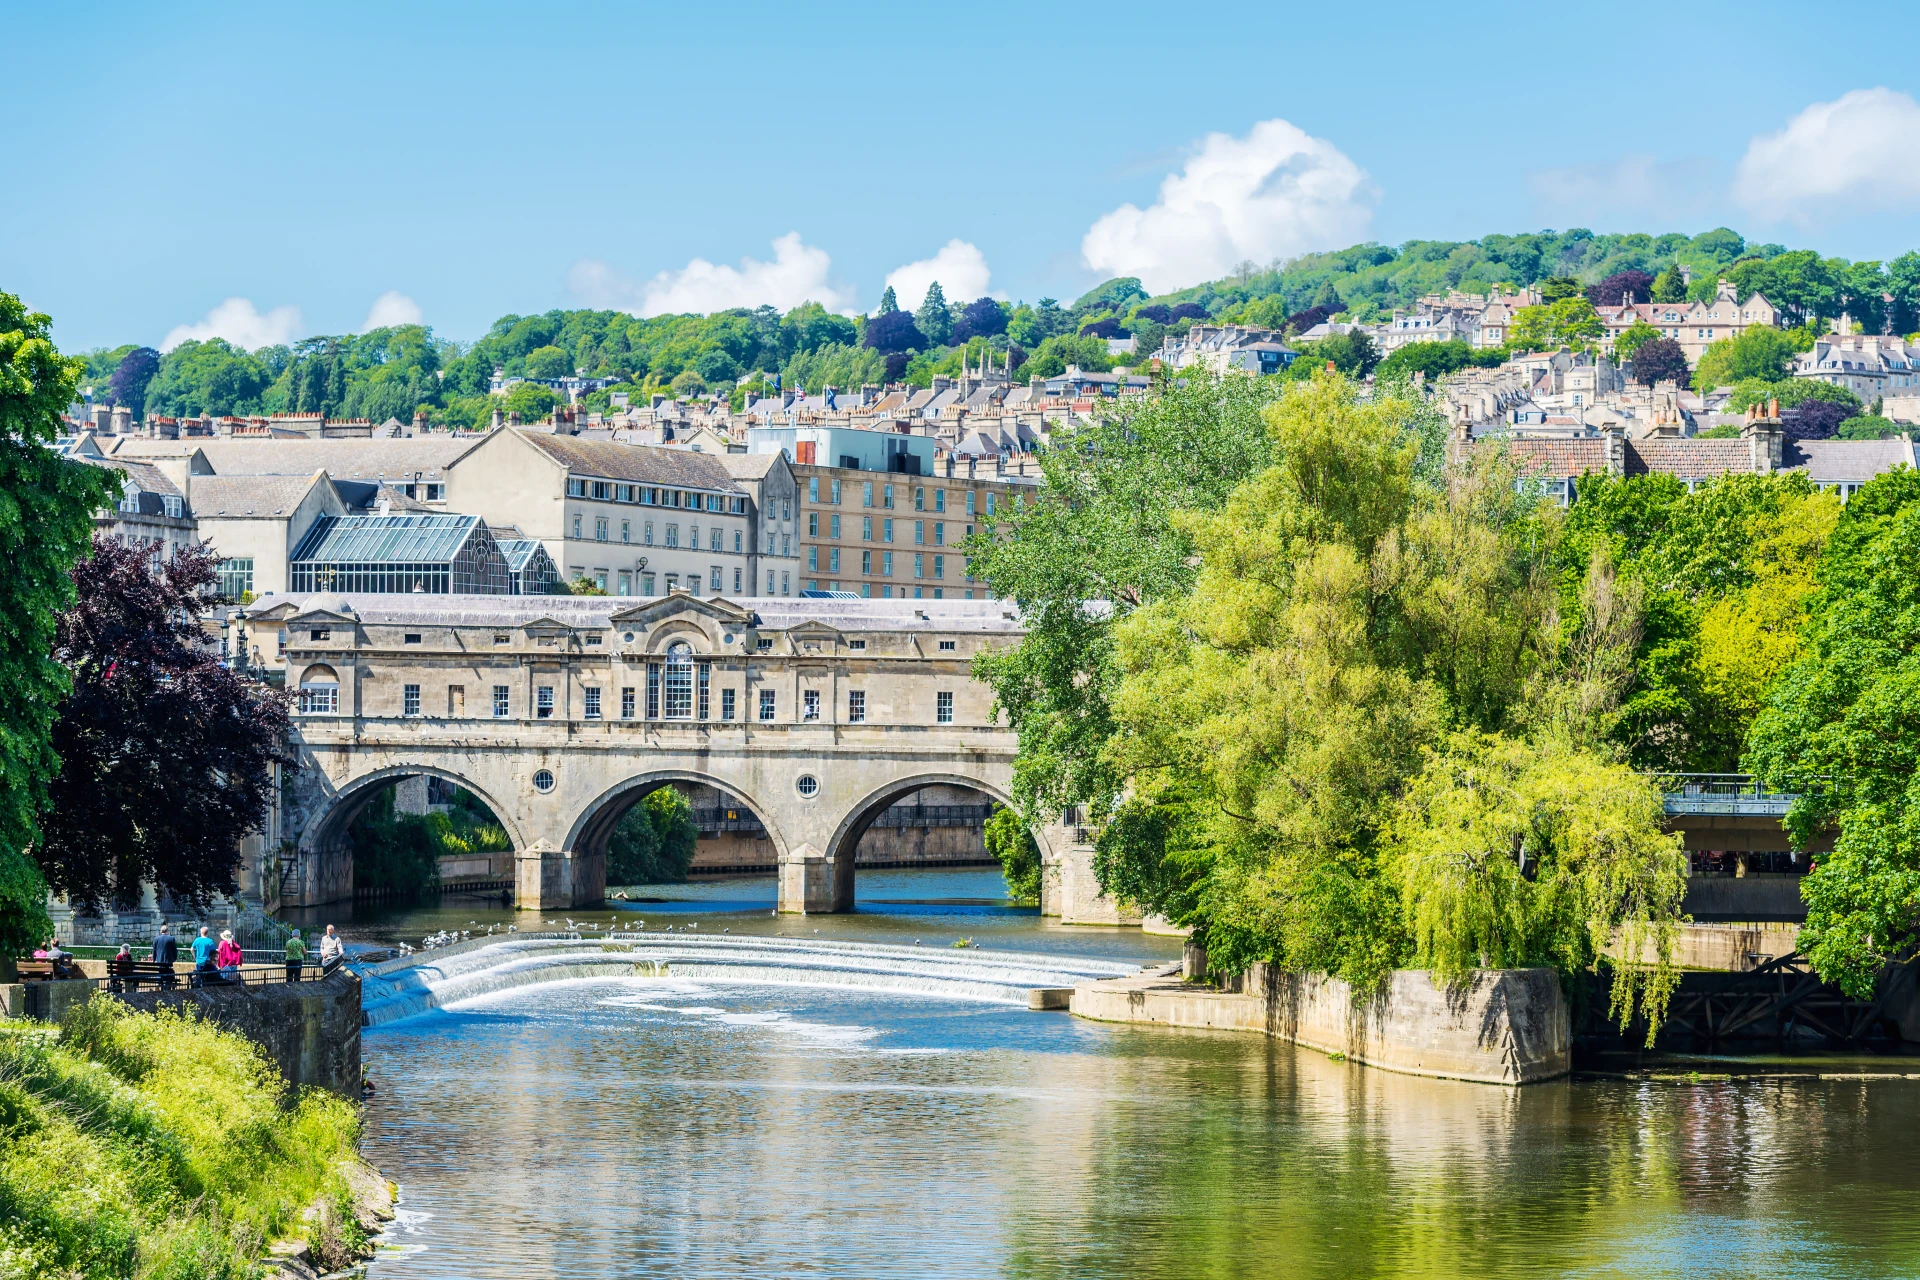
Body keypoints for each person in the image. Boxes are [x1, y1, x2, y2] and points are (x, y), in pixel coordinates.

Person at [152, 923, 179, 988]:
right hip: (168, 962)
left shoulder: (156, 939)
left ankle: (161, 986)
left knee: (160, 974)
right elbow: (174, 950)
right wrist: (175, 958)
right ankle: (167, 988)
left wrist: (154, 959)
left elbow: (154, 951)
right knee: (169, 975)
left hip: (159, 962)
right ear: (167, 931)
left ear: (161, 932)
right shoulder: (171, 938)